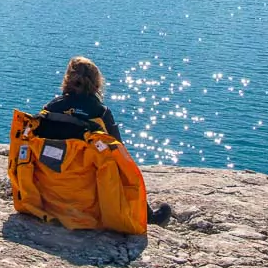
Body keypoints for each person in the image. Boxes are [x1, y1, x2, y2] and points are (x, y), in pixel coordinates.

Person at [36, 55, 172, 228]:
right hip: (88, 193)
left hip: (51, 191)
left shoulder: (49, 109)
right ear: (97, 83)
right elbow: (121, 158)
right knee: (119, 164)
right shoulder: (101, 113)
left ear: (67, 80)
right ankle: (149, 217)